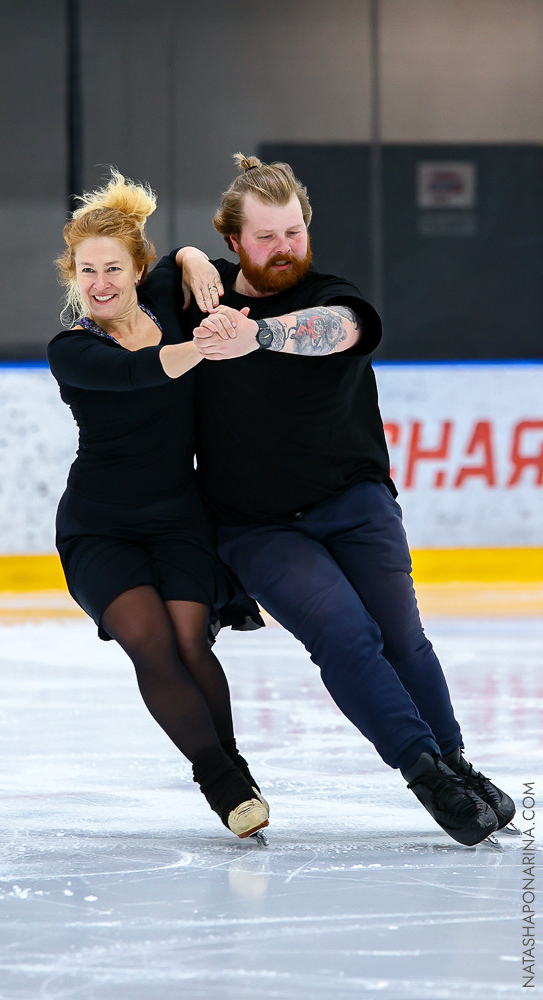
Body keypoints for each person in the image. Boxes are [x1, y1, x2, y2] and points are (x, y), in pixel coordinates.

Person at [170, 152, 516, 847]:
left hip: (354, 503)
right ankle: (427, 775)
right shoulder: (197, 301)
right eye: (264, 236)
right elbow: (132, 276)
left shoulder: (331, 294)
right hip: (257, 527)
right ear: (232, 240)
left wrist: (257, 335)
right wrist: (182, 256)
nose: (282, 248)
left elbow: (343, 328)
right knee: (344, 636)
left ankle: (454, 761)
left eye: (293, 230)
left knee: (402, 640)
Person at [47, 169, 268, 840]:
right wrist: (202, 347)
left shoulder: (168, 297)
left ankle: (236, 771)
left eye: (112, 267)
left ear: (136, 269)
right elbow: (139, 373)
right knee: (149, 641)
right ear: (74, 277)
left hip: (177, 516)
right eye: (86, 271)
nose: (100, 283)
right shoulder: (74, 349)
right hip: (99, 525)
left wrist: (193, 255)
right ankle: (221, 783)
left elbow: (176, 260)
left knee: (188, 640)